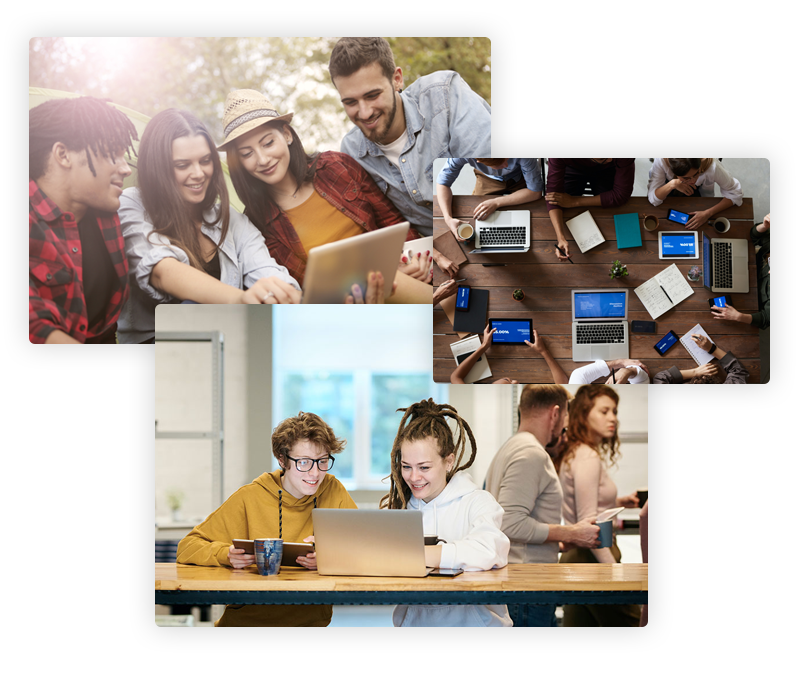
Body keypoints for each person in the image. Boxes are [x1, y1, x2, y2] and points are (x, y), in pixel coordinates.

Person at [219, 89, 429, 303]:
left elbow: (393, 222)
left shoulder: (335, 166)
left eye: (268, 143)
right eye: (247, 153)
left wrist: (410, 260)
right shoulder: (255, 225)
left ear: (287, 134)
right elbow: (298, 293)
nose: (263, 159)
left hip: (398, 282)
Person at [118, 109, 300, 340]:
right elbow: (161, 271)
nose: (198, 173)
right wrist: (240, 300)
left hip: (221, 346)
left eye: (205, 161)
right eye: (182, 165)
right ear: (158, 167)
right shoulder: (131, 202)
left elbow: (266, 272)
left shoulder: (232, 221)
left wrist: (285, 295)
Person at [177, 411, 357, 627]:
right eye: (304, 462)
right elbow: (187, 547)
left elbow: (364, 548)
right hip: (246, 623)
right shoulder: (249, 497)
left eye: (322, 461)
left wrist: (330, 558)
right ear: (282, 460)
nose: (315, 473)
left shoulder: (334, 491)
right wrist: (225, 554)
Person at [330, 36, 490, 278]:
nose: (364, 112)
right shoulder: (352, 153)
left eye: (372, 95)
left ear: (397, 79)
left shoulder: (445, 95)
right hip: (438, 260)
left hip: (489, 220)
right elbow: (382, 228)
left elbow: (495, 175)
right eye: (350, 102)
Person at [381, 399, 511, 627]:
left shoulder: (478, 502)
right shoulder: (400, 509)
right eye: (406, 466)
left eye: (424, 467)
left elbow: (490, 550)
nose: (413, 477)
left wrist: (420, 555)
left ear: (448, 461)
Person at [485, 385, 600, 627]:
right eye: (566, 416)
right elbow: (509, 523)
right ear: (555, 413)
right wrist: (573, 532)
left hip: (522, 582)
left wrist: (555, 542)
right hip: (527, 587)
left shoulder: (511, 447)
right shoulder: (531, 453)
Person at [29, 96, 138, 343]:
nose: (126, 168)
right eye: (113, 153)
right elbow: (35, 325)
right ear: (63, 155)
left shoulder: (107, 217)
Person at [558, 386, 641, 627]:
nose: (613, 418)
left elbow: (583, 505)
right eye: (604, 411)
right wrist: (616, 574)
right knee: (634, 622)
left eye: (614, 411)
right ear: (584, 414)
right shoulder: (587, 457)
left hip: (579, 560)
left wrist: (617, 502)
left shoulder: (576, 452)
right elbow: (589, 524)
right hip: (592, 558)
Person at [544, 158, 636, 261]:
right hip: (572, 167)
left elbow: (621, 194)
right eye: (603, 158)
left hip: (607, 170)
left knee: (611, 208)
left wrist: (574, 201)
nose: (610, 158)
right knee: (562, 203)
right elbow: (553, 196)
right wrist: (560, 238)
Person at [436, 158, 543, 243]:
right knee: (478, 217)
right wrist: (448, 218)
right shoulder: (462, 151)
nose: (507, 165)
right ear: (478, 160)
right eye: (499, 163)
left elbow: (535, 192)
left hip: (521, 176)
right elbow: (442, 183)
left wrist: (497, 202)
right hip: (488, 178)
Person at [710, 212, 770, 329]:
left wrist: (738, 316)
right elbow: (754, 235)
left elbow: (765, 319)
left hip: (752, 299)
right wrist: (765, 226)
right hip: (751, 265)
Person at [648, 158, 743, 230]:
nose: (693, 181)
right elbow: (653, 199)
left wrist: (708, 213)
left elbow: (735, 193)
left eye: (697, 173)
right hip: (669, 192)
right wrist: (672, 184)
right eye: (686, 178)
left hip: (700, 200)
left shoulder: (713, 166)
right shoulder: (661, 161)